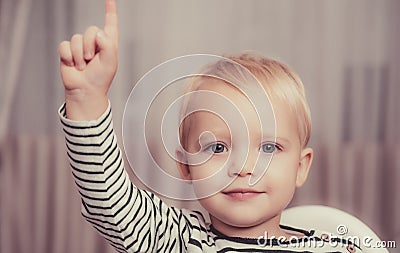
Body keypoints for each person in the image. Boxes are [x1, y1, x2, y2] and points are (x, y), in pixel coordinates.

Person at [58, 0, 361, 252]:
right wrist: (87, 100)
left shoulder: (338, 248)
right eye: (218, 147)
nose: (243, 168)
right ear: (186, 166)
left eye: (269, 147)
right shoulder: (177, 240)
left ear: (300, 166)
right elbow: (110, 200)